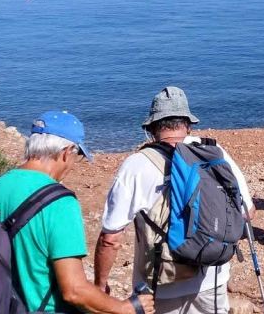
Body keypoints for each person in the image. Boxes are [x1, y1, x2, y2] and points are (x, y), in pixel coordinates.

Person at [93, 87, 255, 314]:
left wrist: (100, 285)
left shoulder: (137, 165)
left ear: (151, 129)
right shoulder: (214, 152)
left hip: (162, 284)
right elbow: (247, 212)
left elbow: (110, 238)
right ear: (188, 125)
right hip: (213, 275)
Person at [0, 110, 154, 314]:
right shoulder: (59, 202)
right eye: (78, 155)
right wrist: (126, 308)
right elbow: (74, 291)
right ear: (67, 152)